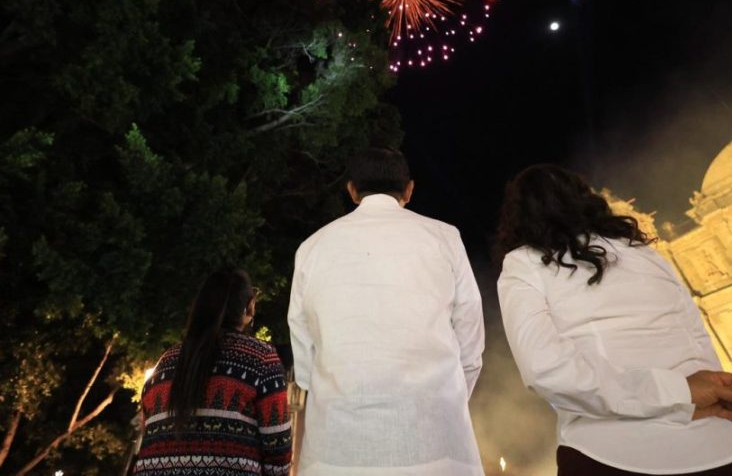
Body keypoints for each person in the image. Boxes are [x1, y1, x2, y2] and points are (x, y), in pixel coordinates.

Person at [495, 165, 732, 476]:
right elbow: (698, 337)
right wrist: (701, 395)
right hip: (731, 440)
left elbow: (547, 370)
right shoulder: (644, 252)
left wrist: (679, 393)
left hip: (615, 453)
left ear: (517, 217)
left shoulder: (523, 263)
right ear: (587, 199)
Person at [288, 147, 485, 475]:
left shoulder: (312, 248)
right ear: (409, 190)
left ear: (352, 190)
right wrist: (444, 403)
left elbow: (304, 359)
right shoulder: (445, 238)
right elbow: (470, 338)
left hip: (336, 448)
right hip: (437, 445)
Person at [134, 268, 292, 476]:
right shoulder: (261, 358)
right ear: (249, 307)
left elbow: (146, 432)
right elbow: (278, 454)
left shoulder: (165, 362)